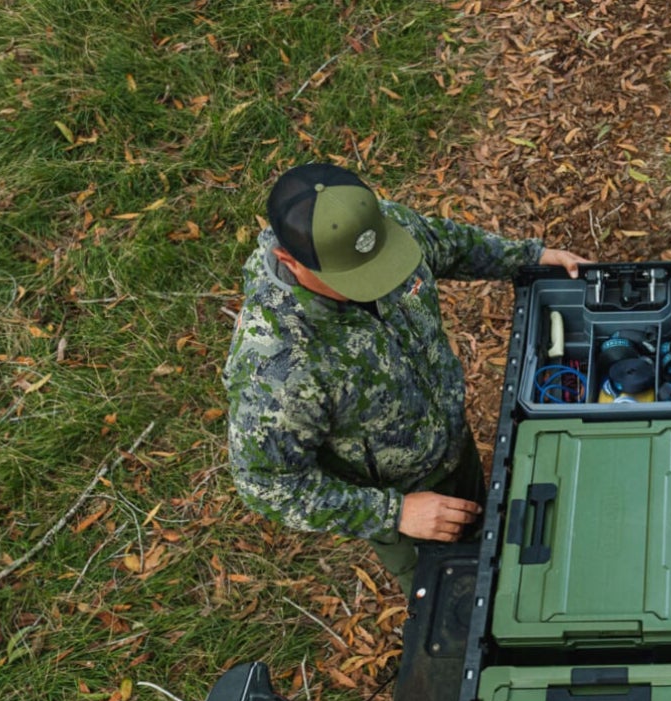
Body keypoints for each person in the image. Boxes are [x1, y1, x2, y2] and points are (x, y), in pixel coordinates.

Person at [223, 162, 588, 587]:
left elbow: (449, 244)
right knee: (453, 594)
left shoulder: (372, 231)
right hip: (404, 501)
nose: (380, 281)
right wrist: (394, 513)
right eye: (354, 278)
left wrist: (530, 258)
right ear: (289, 261)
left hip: (452, 440)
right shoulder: (277, 365)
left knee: (492, 530)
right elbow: (264, 483)